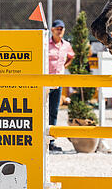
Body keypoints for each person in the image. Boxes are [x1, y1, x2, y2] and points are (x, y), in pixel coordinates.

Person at [48, 20, 74, 153]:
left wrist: (63, 67)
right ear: (52, 30)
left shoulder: (67, 45)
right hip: (45, 83)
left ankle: (51, 141)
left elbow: (71, 56)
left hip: (58, 84)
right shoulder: (45, 44)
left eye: (62, 29)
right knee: (42, 112)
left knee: (53, 112)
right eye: (57, 29)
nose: (60, 31)